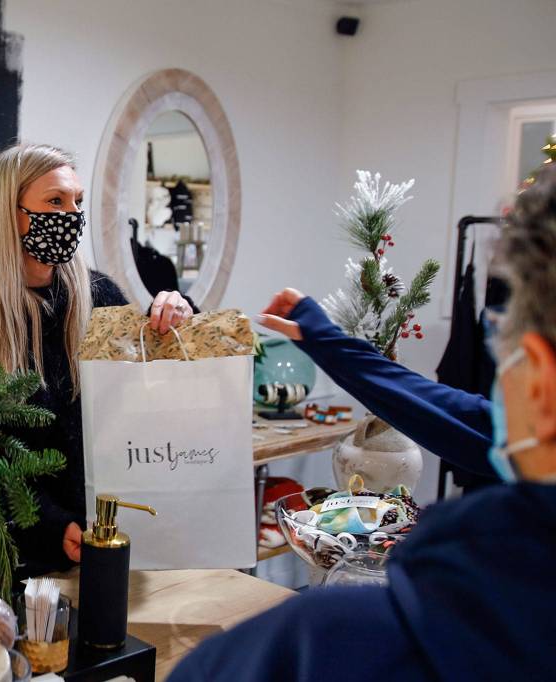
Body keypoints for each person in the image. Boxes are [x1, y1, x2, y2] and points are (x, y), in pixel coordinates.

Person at [169, 165, 556, 681]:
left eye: (500, 332)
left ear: (537, 377)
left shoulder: (317, 648)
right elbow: (454, 416)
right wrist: (330, 343)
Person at [0, 143, 192, 574]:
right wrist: (53, 524)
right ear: (8, 213)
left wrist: (175, 319)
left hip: (112, 538)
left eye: (77, 201)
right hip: (14, 558)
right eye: (55, 201)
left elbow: (143, 407)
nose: (72, 215)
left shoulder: (99, 297)